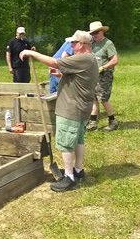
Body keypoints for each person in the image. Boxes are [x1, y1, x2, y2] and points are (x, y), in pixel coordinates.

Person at [22, 30, 99, 192]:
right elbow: (75, 77)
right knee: (78, 140)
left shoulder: (82, 58)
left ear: (82, 45)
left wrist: (31, 53)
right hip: (81, 107)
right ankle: (78, 170)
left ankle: (69, 177)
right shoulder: (89, 59)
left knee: (66, 143)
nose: (71, 45)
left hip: (71, 108)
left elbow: (54, 62)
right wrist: (60, 75)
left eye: (73, 43)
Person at [86, 21, 119, 131]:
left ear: (102, 31)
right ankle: (93, 123)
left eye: (96, 33)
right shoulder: (93, 44)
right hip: (94, 74)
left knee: (103, 99)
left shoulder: (108, 43)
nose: (94, 35)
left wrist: (103, 67)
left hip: (105, 75)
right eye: (92, 33)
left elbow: (115, 60)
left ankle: (113, 122)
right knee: (94, 98)